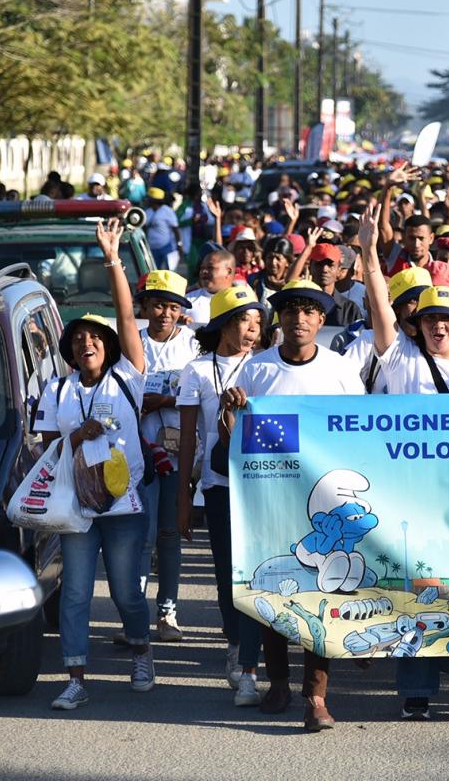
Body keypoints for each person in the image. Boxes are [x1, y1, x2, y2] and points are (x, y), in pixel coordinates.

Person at [360, 205, 449, 718]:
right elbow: (378, 304)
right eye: (429, 319)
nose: (438, 326)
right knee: (414, 592)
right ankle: (416, 691)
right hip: (408, 497)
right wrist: (370, 251)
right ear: (416, 325)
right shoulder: (398, 357)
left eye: (447, 319)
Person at [219, 279, 366, 731]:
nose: (298, 319)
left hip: (323, 505)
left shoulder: (340, 370)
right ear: (278, 320)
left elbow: (362, 432)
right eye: (290, 311)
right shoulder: (256, 369)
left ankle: (316, 697)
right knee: (273, 592)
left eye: (308, 311)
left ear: (321, 321)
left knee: (320, 596)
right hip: (268, 501)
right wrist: (231, 409)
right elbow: (230, 435)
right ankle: (278, 682)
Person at [36, 218, 153, 710]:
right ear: (70, 350)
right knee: (77, 595)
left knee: (127, 593)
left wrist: (111, 259)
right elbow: (46, 446)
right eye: (79, 340)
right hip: (76, 509)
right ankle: (76, 677)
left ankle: (141, 650)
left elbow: (127, 318)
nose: (88, 344)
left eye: (96, 339)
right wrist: (74, 437)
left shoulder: (128, 377)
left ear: (109, 348)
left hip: (123, 507)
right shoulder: (57, 390)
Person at [176, 285, 267, 705]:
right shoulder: (196, 371)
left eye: (256, 322)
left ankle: (261, 652)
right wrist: (182, 500)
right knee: (227, 572)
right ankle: (235, 645)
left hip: (265, 485)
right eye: (242, 321)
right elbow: (189, 442)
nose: (251, 329)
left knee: (262, 571)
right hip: (217, 484)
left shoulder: (267, 367)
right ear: (222, 325)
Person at [134, 270, 199, 643]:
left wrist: (166, 401)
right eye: (158, 304)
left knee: (170, 534)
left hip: (177, 452)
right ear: (144, 306)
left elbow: (200, 394)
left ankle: (168, 612)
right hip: (137, 452)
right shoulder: (133, 343)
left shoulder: (191, 345)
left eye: (172, 306)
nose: (164, 313)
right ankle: (138, 614)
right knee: (142, 536)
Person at [340, 266, 432, 395]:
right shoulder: (370, 340)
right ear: (398, 307)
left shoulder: (440, 345)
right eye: (414, 301)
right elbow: (340, 375)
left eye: (425, 302)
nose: (419, 308)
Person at [186, 247, 237, 325]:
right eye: (202, 268)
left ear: (228, 272)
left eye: (210, 268)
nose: (204, 271)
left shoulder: (243, 300)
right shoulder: (187, 301)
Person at [249, 236, 293, 306]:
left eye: (278, 258)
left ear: (287, 262)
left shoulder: (292, 284)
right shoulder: (253, 280)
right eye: (270, 257)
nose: (273, 262)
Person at [145, 187, 181, 271]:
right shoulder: (148, 211)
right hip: (152, 248)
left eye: (149, 198)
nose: (147, 200)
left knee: (169, 271)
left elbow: (176, 228)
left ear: (154, 200)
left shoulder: (167, 211)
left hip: (166, 246)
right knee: (155, 271)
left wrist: (179, 244)